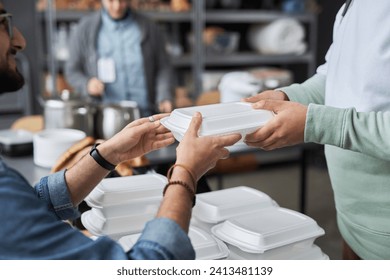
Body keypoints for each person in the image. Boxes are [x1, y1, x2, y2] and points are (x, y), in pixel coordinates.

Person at [0, 2, 241, 259]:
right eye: (4, 23)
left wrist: (107, 155)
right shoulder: (86, 28)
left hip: (141, 118)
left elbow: (31, 204)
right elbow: (146, 266)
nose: (20, 40)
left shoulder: (148, 27)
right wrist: (186, 173)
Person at [243, 0, 390, 260]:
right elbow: (332, 78)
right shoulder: (353, 5)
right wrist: (285, 96)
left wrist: (315, 123)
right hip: (352, 223)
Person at [65, 0, 173, 117]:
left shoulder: (150, 28)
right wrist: (87, 84)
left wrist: (164, 95)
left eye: (122, 1)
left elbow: (163, 67)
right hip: (106, 117)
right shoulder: (84, 29)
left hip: (145, 115)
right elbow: (72, 71)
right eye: (111, 1)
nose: (117, 7)